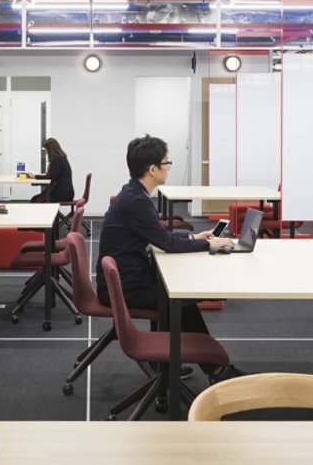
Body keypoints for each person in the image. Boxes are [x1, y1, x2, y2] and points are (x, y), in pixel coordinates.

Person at [96, 134, 245, 383]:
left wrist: (195, 236)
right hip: (126, 288)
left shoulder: (134, 194)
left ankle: (172, 362)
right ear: (152, 169)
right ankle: (212, 369)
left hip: (129, 280)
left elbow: (159, 236)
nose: (168, 166)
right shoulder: (137, 201)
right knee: (181, 300)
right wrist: (208, 243)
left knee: (181, 299)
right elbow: (167, 244)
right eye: (166, 162)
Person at [31, 137, 75, 204]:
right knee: (36, 199)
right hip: (66, 192)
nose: (46, 153)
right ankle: (53, 214)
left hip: (62, 194)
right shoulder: (61, 158)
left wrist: (35, 176)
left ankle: (50, 214)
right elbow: (53, 175)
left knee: (35, 200)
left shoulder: (57, 159)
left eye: (46, 150)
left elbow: (51, 177)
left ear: (50, 150)